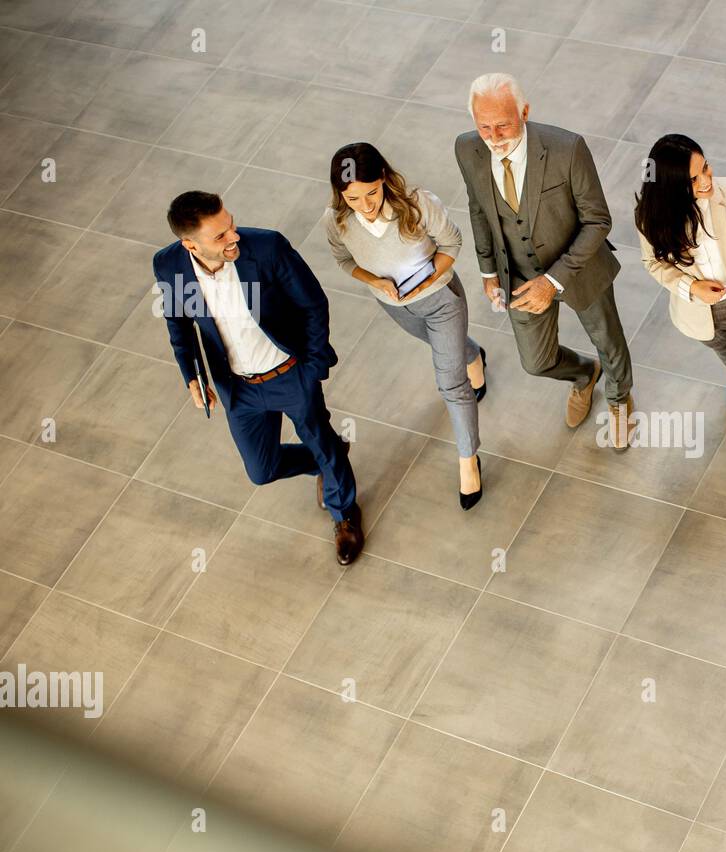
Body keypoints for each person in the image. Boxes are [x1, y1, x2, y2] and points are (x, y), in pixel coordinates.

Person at [154, 191, 363, 564]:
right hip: (238, 387)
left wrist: (312, 367)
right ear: (189, 245)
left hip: (290, 374)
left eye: (230, 225)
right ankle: (325, 459)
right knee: (261, 470)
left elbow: (313, 303)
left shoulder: (266, 247)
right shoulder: (170, 265)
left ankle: (344, 513)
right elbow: (178, 324)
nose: (233, 236)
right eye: (219, 236)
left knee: (319, 437)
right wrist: (192, 375)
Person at [453, 72, 638, 451]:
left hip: (580, 270)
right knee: (536, 362)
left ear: (525, 111)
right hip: (517, 276)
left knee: (609, 340)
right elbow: (479, 209)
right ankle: (585, 374)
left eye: (503, 125)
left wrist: (552, 282)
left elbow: (598, 221)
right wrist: (488, 271)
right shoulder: (466, 149)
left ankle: (619, 400)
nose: (494, 137)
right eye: (484, 127)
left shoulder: (567, 148)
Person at [323, 142, 484, 510]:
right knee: (449, 350)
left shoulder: (416, 203)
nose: (365, 205)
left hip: (442, 299)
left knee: (451, 383)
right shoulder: (336, 220)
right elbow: (343, 259)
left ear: (383, 177)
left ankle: (468, 461)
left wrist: (429, 281)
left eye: (372, 193)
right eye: (352, 198)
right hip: (396, 307)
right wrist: (374, 281)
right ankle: (473, 355)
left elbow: (452, 242)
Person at [635, 134, 726, 528]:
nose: (706, 181)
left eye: (706, 168)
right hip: (699, 316)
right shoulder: (651, 217)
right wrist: (690, 288)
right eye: (694, 179)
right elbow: (655, 265)